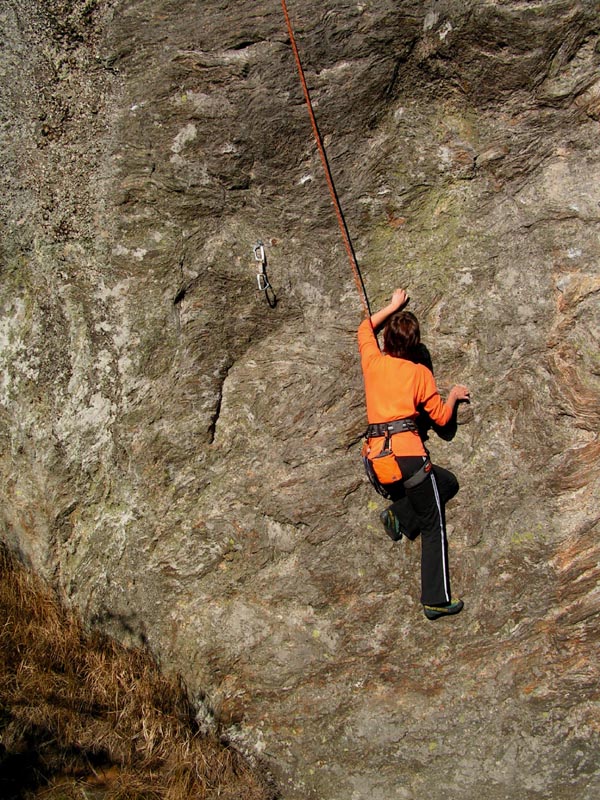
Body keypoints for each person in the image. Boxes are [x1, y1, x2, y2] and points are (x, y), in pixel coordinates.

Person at [358, 288, 470, 621]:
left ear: (387, 339)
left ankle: (399, 516)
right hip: (409, 459)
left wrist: (392, 306)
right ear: (414, 345)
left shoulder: (373, 360)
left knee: (447, 482)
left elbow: (364, 328)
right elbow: (441, 419)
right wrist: (452, 396)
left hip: (378, 459)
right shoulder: (419, 373)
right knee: (434, 524)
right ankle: (436, 599)